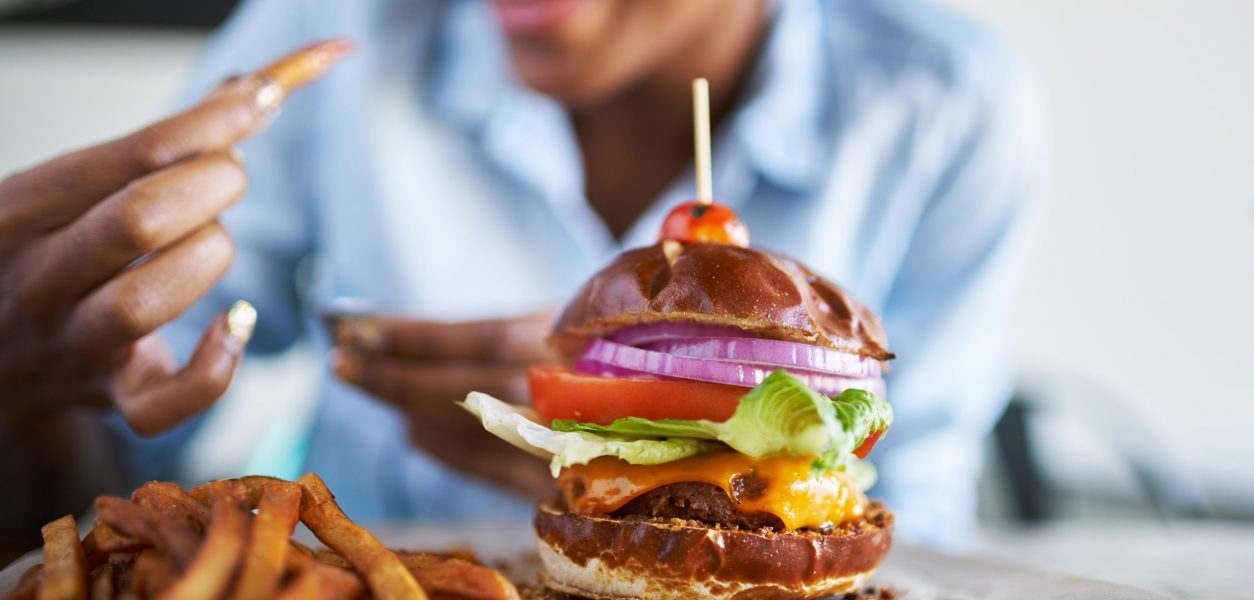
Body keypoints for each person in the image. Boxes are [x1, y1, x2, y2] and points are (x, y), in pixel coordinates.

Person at [0, 0, 1042, 548]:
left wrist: (650, 457)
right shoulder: (331, 30)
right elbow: (128, 447)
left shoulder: (940, 100)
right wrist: (33, 386)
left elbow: (914, 519)